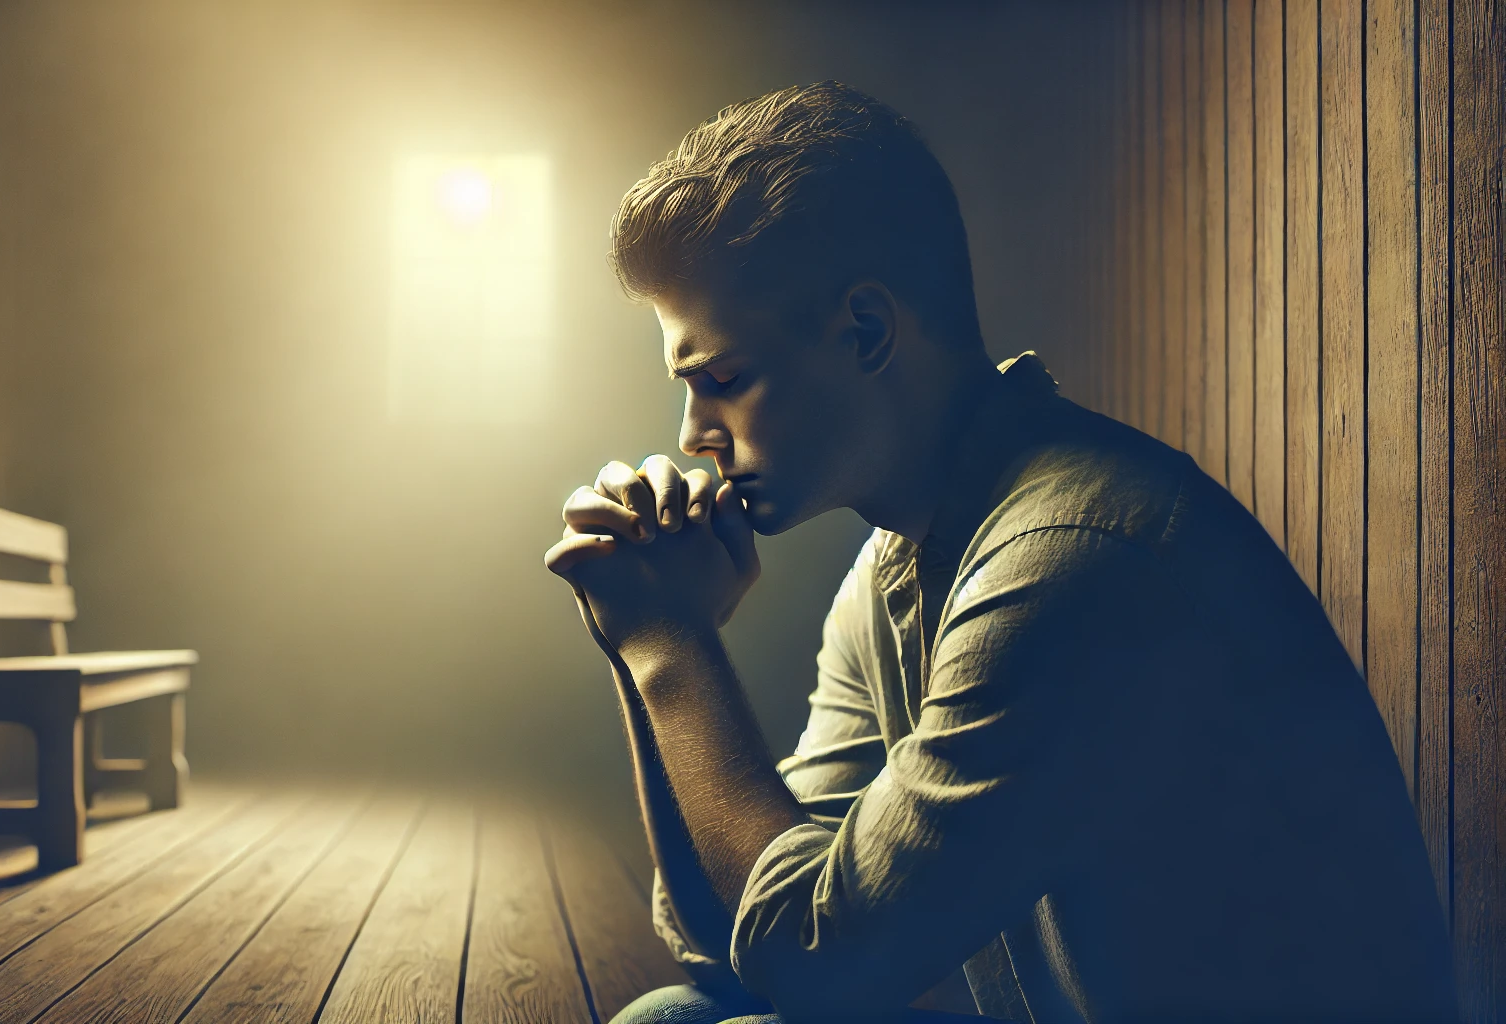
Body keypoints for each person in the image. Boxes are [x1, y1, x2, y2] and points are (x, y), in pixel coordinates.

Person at [543, 82, 1456, 1024]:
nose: (694, 434)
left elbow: (821, 962)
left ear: (865, 330)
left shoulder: (1069, 564)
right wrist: (647, 636)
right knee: (679, 1015)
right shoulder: (894, 570)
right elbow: (730, 942)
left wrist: (670, 648)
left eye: (723, 379)